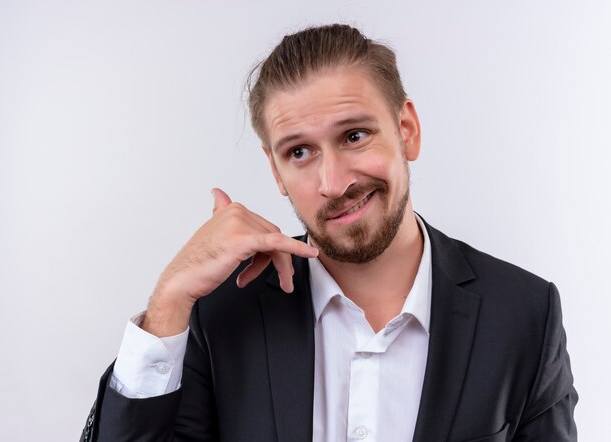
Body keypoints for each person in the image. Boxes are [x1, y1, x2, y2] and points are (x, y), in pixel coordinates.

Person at [81, 24, 577, 442]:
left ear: (407, 130)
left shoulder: (525, 315)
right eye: (299, 152)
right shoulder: (219, 318)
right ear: (275, 171)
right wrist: (170, 300)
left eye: (354, 136)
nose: (334, 183)